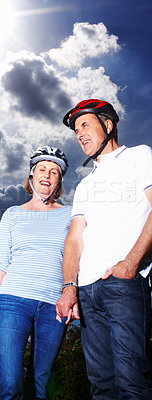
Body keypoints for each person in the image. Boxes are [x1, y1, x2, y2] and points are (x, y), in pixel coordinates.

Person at [56, 99, 152, 399]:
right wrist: (69, 287)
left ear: (107, 125)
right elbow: (74, 239)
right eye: (75, 129)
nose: (78, 133)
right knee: (102, 386)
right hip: (86, 293)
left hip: (123, 285)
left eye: (85, 124)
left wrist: (130, 263)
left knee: (132, 382)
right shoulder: (85, 185)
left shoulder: (139, 156)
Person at [0, 146, 71, 400]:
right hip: (13, 302)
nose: (47, 174)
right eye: (42, 169)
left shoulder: (70, 214)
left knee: (39, 386)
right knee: (10, 383)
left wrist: (72, 293)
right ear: (32, 176)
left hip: (52, 306)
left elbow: (75, 258)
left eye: (54, 172)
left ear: (58, 182)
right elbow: (0, 265)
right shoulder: (12, 215)